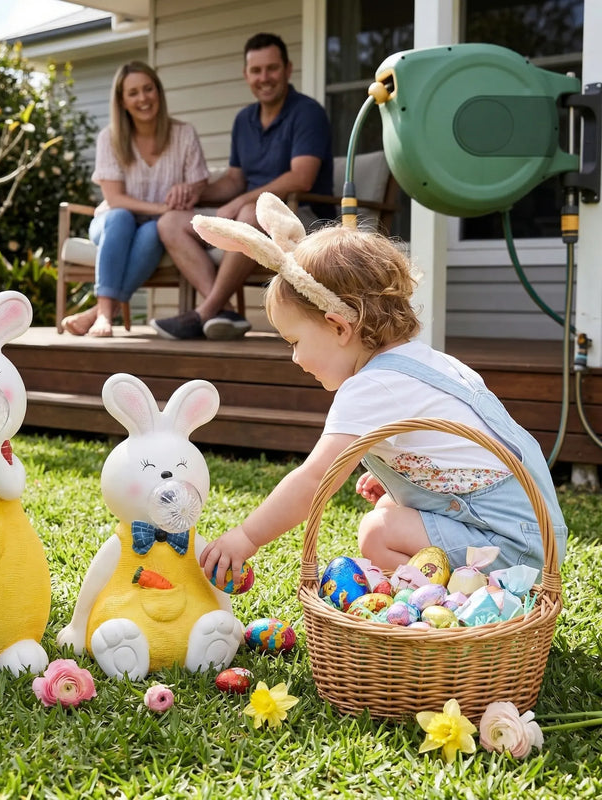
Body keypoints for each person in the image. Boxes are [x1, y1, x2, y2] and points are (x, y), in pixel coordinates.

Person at [192, 194, 567, 586]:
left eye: (295, 341)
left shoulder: (369, 387)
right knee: (390, 504)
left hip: (511, 551)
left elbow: (314, 479)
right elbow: (455, 447)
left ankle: (431, 611)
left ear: (339, 327)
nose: (295, 358)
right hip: (531, 534)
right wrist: (411, 477)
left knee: (377, 532)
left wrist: (246, 536)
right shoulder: (425, 362)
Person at [149, 32, 333, 341]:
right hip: (252, 216)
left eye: (271, 69)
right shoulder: (243, 120)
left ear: (287, 70)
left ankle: (203, 314)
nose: (265, 78)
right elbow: (235, 178)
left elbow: (301, 177)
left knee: (251, 213)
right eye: (256, 71)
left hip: (305, 216)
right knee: (170, 222)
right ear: (246, 75)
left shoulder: (307, 113)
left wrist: (242, 202)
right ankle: (225, 313)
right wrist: (197, 192)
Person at [61, 61, 209, 337]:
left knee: (155, 230)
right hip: (111, 223)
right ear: (122, 101)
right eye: (133, 93)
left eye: (148, 89)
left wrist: (189, 190)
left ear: (158, 92)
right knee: (120, 217)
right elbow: (114, 199)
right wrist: (163, 207)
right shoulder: (110, 138)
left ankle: (99, 312)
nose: (143, 98)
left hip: (155, 229)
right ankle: (105, 313)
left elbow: (199, 181)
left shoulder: (184, 134)